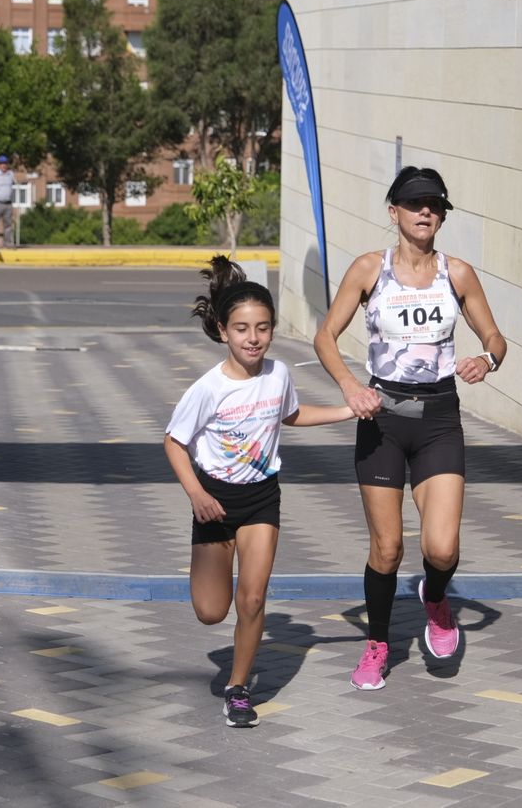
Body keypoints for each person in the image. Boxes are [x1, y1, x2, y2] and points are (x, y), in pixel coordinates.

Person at [312, 166, 507, 691]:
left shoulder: (457, 273)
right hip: (384, 419)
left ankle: (436, 600)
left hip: (439, 419)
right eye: (415, 203)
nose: (425, 211)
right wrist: (351, 387)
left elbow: (495, 337)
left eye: (434, 204)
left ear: (442, 216)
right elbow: (325, 336)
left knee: (441, 549)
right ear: (393, 211)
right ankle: (377, 645)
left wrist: (486, 360)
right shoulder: (368, 269)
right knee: (388, 549)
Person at [164, 256, 354, 727]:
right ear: (223, 331)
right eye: (242, 328)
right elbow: (173, 442)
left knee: (252, 599)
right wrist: (196, 495)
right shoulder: (209, 389)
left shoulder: (278, 374)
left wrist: (348, 410)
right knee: (211, 612)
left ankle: (238, 688)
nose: (253, 338)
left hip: (261, 498)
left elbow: (290, 415)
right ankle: (219, 582)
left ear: (271, 330)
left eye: (263, 328)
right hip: (214, 502)